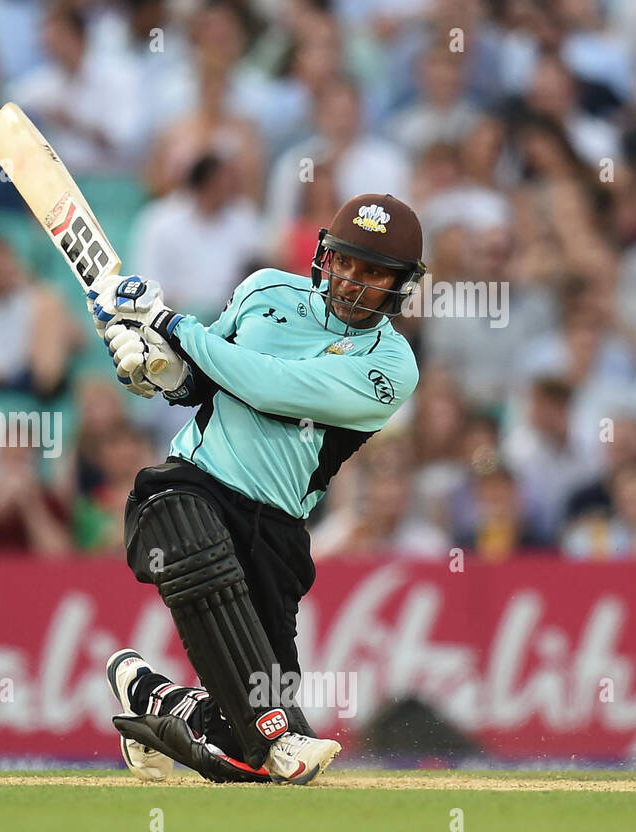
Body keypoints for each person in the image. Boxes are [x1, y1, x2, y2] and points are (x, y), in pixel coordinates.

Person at [89, 193, 425, 785]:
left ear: (399, 285)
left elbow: (272, 387)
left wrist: (168, 323)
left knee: (245, 759)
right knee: (188, 535)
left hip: (277, 528)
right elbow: (200, 378)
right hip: (192, 486)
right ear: (325, 253)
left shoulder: (392, 367)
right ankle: (270, 729)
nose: (350, 280)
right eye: (344, 262)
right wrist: (153, 366)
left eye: (372, 273)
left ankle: (154, 696)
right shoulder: (266, 289)